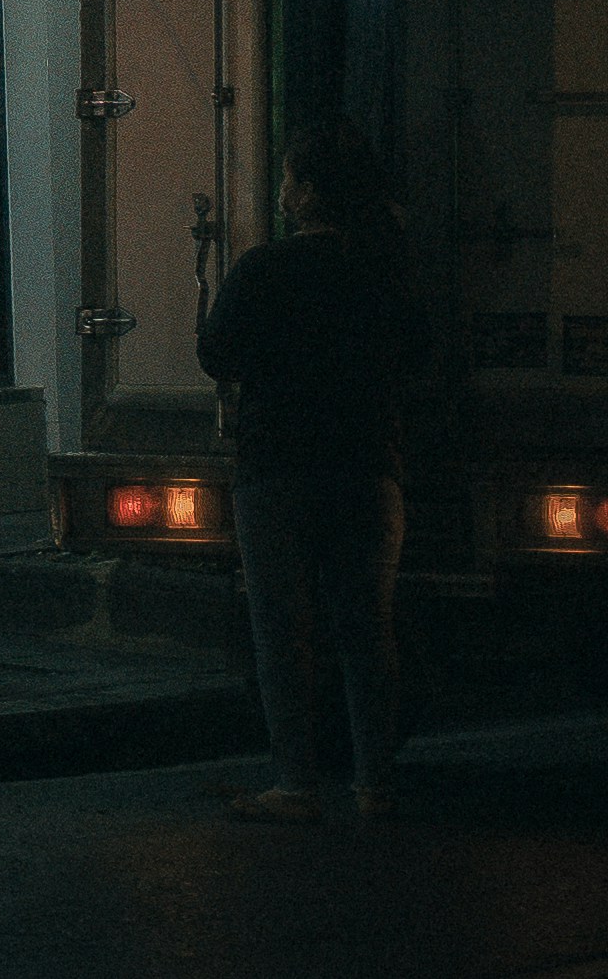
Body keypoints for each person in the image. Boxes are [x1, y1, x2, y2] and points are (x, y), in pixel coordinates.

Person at [199, 119, 427, 822]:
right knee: (368, 630)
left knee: (283, 629)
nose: (283, 190)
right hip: (366, 467)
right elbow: (418, 355)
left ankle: (295, 784)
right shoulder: (384, 270)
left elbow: (217, 355)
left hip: (277, 471)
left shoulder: (263, 270)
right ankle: (374, 784)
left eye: (289, 179)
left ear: (305, 194)